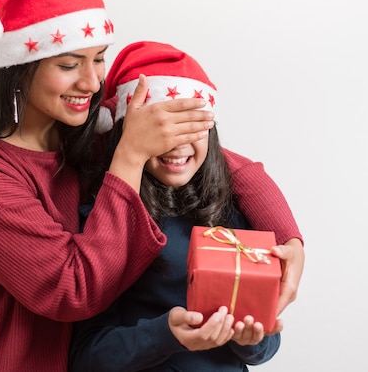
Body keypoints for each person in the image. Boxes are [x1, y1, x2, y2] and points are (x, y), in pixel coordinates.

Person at [0, 0, 303, 371]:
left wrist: (289, 241)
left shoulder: (80, 134)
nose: (91, 83)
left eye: (99, 58)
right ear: (20, 67)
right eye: (69, 64)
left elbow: (216, 159)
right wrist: (129, 154)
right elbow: (71, 290)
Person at [69, 41, 290, 371]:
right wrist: (165, 335)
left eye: (193, 127)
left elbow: (266, 345)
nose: (178, 144)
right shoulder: (107, 221)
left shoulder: (234, 211)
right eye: (163, 131)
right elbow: (87, 357)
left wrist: (252, 339)